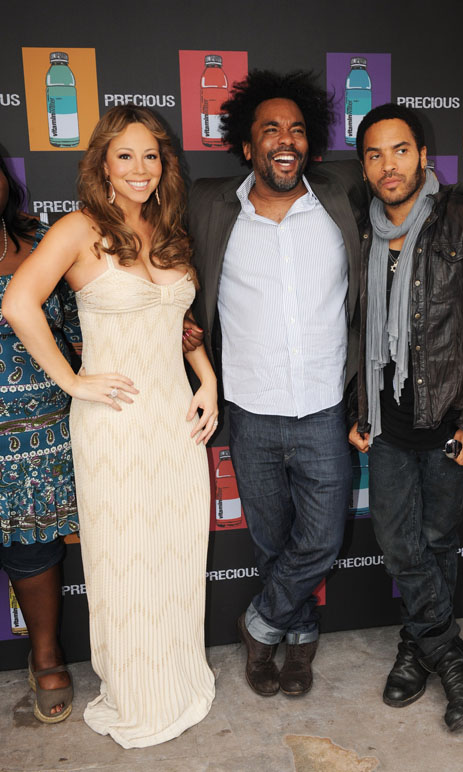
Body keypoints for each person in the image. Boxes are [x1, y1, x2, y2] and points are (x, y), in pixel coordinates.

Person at [187, 69, 463, 699]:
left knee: (354, 538)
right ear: (246, 143)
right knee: (272, 539)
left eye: (298, 130)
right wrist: (177, 313)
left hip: (335, 410)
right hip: (253, 408)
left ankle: (269, 624)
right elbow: (161, 251)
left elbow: (426, 204)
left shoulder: (340, 197)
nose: (285, 141)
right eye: (270, 130)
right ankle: (294, 635)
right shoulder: (209, 202)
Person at [2, 106, 217, 748]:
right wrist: (72, 380)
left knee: (175, 556)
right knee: (124, 560)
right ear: (101, 163)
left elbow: (173, 322)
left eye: (151, 155)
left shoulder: (167, 228)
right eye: (125, 156)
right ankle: (138, 692)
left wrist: (206, 376)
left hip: (175, 421)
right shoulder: (76, 229)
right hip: (115, 424)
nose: (140, 168)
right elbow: (17, 302)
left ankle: (176, 678)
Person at [348, 103, 463, 730]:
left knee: (438, 540)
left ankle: (417, 649)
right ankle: (451, 655)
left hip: (449, 419)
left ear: (423, 156)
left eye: (399, 150)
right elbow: (360, 328)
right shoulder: (360, 227)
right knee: (398, 539)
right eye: (373, 154)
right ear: (363, 165)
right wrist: (361, 405)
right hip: (389, 422)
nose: (387, 165)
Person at [0, 151, 80, 723]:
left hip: (43, 432)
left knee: (35, 546)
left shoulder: (45, 239)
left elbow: (84, 321)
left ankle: (45, 652)